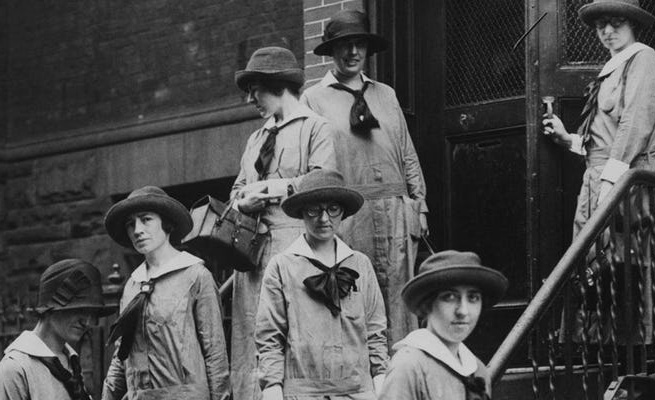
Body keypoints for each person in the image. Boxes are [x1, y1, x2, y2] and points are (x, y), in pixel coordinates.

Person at [301, 9, 428, 347]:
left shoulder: (386, 95)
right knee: (356, 298)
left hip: (396, 211)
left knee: (401, 300)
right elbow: (312, 166)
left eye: (359, 44)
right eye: (344, 45)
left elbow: (407, 152)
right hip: (350, 213)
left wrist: (419, 204)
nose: (353, 52)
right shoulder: (313, 99)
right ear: (331, 51)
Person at [542, 0, 655, 341]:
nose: (607, 31)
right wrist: (569, 140)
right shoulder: (612, 68)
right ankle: (600, 350)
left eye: (615, 22)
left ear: (632, 24)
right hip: (598, 181)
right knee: (594, 266)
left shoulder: (643, 59)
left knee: (627, 265)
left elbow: (636, 124)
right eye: (600, 25)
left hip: (626, 186)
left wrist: (610, 183)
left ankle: (635, 352)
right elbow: (605, 137)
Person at [229, 46, 338, 400]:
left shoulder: (315, 128)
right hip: (253, 259)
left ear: (275, 84)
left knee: (291, 334)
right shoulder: (255, 139)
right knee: (252, 339)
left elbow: (326, 182)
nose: (250, 100)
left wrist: (274, 188)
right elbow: (236, 190)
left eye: (254, 90)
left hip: (296, 253)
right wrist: (244, 199)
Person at [255, 169, 389, 400]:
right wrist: (272, 388)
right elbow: (270, 338)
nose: (324, 218)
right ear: (302, 213)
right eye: (314, 209)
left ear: (342, 212)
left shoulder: (361, 264)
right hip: (302, 393)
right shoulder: (282, 266)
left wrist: (381, 384)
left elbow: (376, 333)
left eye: (332, 209)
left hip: (358, 392)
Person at [101, 186, 230, 400]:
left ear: (167, 224)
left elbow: (215, 354)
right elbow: (121, 354)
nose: (137, 230)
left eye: (146, 219)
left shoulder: (196, 276)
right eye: (130, 224)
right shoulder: (133, 285)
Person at [379, 250, 508, 400]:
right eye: (450, 297)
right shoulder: (410, 367)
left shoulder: (477, 370)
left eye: (473, 298)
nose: (463, 311)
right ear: (427, 305)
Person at [0, 258, 114, 400]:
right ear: (51, 308)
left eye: (91, 313)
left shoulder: (70, 362)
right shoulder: (16, 368)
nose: (87, 321)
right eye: (79, 310)